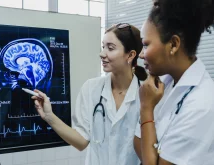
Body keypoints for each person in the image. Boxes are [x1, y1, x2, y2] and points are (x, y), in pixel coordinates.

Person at [31, 23, 147, 165]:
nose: (102, 53)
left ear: (130, 55)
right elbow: (81, 141)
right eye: (103, 46)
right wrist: (49, 116)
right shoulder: (91, 88)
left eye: (110, 48)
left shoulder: (146, 96)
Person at [134, 0, 214, 165]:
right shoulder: (162, 83)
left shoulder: (202, 104)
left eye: (145, 45)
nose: (141, 55)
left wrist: (146, 109)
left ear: (173, 44)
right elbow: (137, 143)